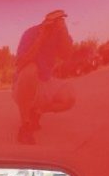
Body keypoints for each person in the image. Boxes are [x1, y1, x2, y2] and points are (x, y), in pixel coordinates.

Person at [12, 10, 76, 144]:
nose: (57, 26)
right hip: (24, 82)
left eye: (61, 21)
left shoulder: (60, 35)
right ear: (45, 22)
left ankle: (36, 110)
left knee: (69, 98)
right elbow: (21, 63)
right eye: (54, 23)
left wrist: (63, 31)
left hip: (45, 80)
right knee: (31, 69)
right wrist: (41, 38)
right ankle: (25, 126)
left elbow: (67, 55)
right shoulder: (30, 33)